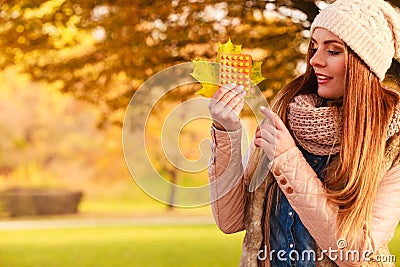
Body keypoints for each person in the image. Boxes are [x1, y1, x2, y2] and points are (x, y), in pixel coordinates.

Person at [207, 0, 400, 266]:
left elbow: (356, 251)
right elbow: (231, 220)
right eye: (314, 47)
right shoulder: (284, 112)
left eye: (333, 51)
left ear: (363, 64)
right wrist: (226, 131)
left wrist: (287, 159)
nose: (315, 60)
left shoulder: (393, 140)